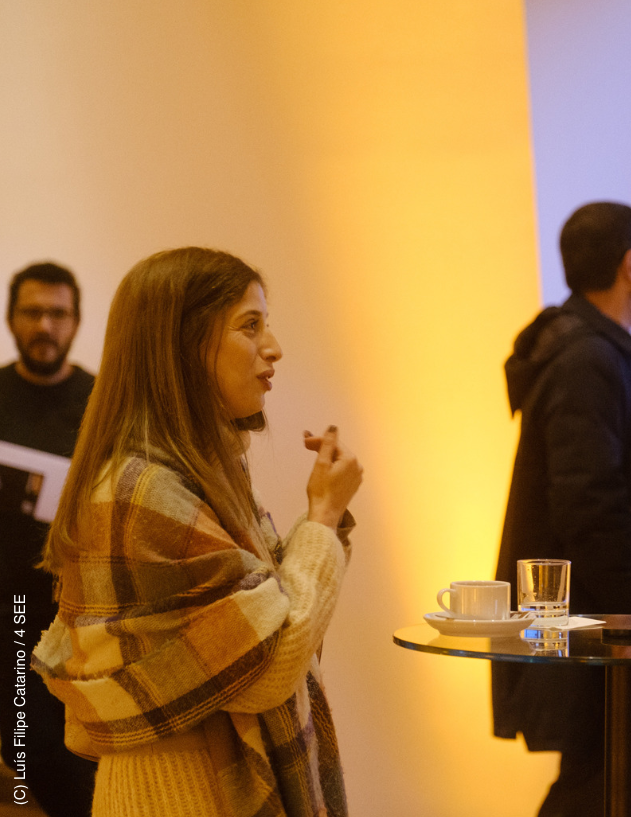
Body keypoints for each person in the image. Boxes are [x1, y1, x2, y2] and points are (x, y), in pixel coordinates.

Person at [32, 247, 363, 817]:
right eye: (249, 326)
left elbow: (273, 615)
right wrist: (324, 518)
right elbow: (271, 665)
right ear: (182, 347)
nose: (273, 347)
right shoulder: (142, 491)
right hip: (179, 795)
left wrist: (323, 522)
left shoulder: (201, 470)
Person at [492, 202, 631, 816]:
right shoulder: (588, 361)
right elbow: (588, 504)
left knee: (596, 783)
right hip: (603, 618)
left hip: (594, 610)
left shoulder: (586, 352)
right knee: (597, 789)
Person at [0, 262, 97, 815]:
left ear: (76, 322)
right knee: (26, 751)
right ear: (11, 319)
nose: (44, 325)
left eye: (57, 313)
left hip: (84, 613)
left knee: (84, 757)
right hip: (9, 612)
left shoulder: (102, 402)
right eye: (32, 312)